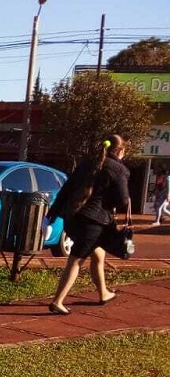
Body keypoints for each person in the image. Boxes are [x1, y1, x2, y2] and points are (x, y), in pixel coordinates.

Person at [48, 134, 131, 315]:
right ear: (120, 150)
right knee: (76, 260)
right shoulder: (119, 169)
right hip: (93, 222)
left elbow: (66, 189)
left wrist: (52, 213)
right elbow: (123, 201)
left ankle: (104, 293)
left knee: (98, 255)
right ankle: (57, 301)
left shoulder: (86, 164)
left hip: (73, 218)